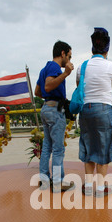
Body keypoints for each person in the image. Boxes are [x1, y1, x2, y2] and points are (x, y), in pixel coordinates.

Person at [77, 28, 112, 197]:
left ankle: (88, 187)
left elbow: (79, 89)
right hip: (104, 110)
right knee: (103, 149)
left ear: (92, 49)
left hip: (86, 110)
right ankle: (101, 189)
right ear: (107, 49)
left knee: (88, 147)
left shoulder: (82, 67)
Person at [35, 40, 75, 193]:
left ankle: (45, 180)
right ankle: (58, 182)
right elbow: (47, 86)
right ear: (63, 53)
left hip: (46, 108)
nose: (70, 61)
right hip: (55, 110)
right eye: (69, 57)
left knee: (46, 147)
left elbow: (38, 92)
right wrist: (65, 74)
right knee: (58, 149)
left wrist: (49, 94)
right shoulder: (54, 67)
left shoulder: (44, 68)